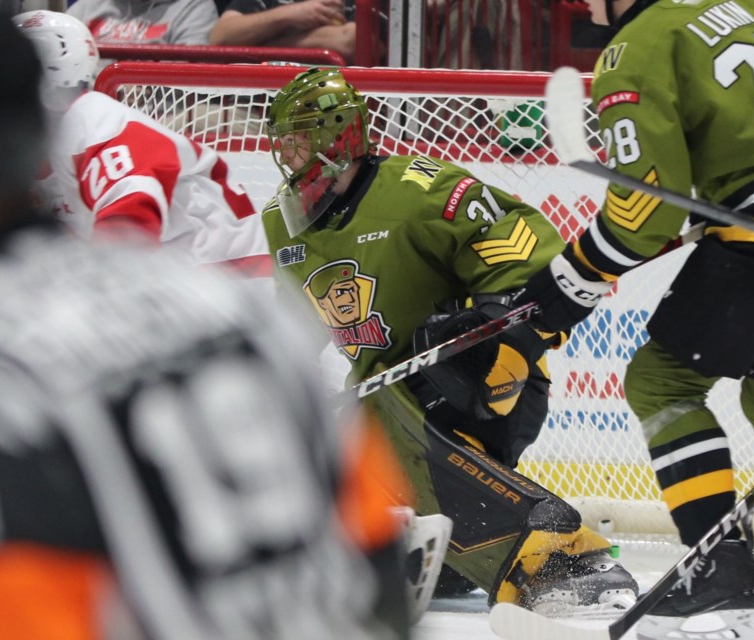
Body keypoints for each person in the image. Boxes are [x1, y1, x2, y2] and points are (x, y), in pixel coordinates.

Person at [0, 6, 404, 639]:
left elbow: (129, 219)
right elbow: (375, 566)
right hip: (212, 299)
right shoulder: (246, 325)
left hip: (213, 262)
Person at [519, 1, 754, 638]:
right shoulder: (743, 8)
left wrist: (569, 282)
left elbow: (641, 216)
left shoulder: (637, 45)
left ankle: (717, 575)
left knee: (660, 381)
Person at [259, 67, 640, 615]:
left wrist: (498, 329)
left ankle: (567, 561)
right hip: (382, 397)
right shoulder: (281, 220)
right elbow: (290, 332)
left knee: (384, 406)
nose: (287, 154)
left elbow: (530, 253)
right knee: (328, 436)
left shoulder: (417, 190)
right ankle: (447, 558)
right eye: (282, 142)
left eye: (298, 138)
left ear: (337, 135)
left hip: (484, 382)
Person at [16, 9, 268, 272]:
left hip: (222, 276)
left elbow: (128, 229)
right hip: (187, 273)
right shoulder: (51, 137)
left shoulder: (96, 126)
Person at [209, 0, 355, 65]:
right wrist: (288, 15)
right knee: (193, 117)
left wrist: (259, 45)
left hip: (333, 112)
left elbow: (351, 41)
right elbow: (220, 38)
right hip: (254, 106)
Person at [68, 0, 218, 46]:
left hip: (160, 114)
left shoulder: (193, 6)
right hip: (86, 107)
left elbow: (189, 79)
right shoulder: (88, 5)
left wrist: (149, 88)